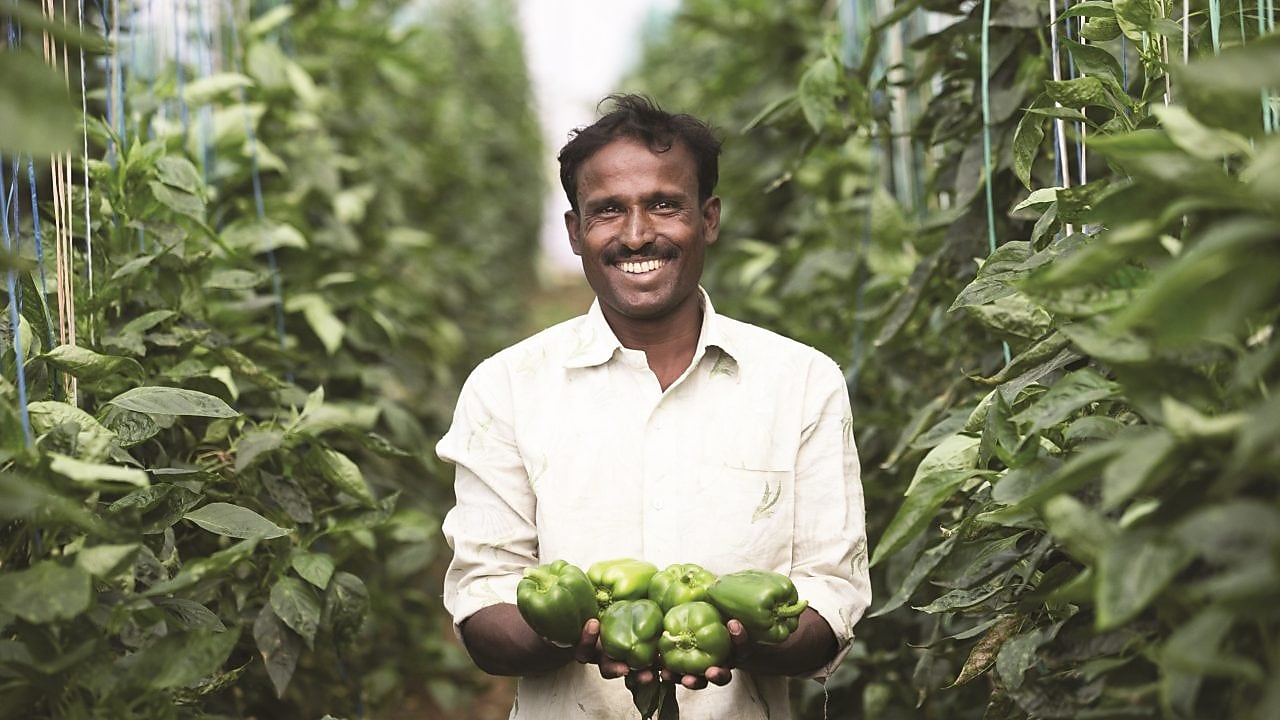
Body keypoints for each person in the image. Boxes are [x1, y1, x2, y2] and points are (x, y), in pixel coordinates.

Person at [438, 94, 870, 719]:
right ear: (575, 232)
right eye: (608, 210)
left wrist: (736, 637)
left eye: (665, 205)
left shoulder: (800, 381)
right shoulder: (506, 386)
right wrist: (569, 630)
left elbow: (833, 595)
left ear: (709, 218)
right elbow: (482, 603)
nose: (637, 234)